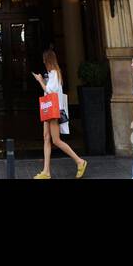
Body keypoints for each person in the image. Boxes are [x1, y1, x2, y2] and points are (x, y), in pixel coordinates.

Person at [31, 48, 86, 179]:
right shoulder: (53, 74)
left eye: (45, 60)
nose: (43, 62)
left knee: (56, 140)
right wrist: (43, 81)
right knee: (46, 138)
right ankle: (46, 171)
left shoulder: (55, 73)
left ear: (48, 60)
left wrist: (39, 80)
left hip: (53, 110)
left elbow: (49, 92)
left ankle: (80, 161)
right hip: (49, 109)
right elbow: (51, 89)